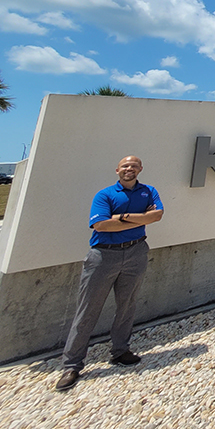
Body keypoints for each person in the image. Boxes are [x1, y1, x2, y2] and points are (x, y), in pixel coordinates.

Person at [55, 155, 164, 391]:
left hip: (136, 252)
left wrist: (122, 218)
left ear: (140, 169)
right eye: (125, 166)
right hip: (104, 255)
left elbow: (157, 216)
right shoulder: (104, 195)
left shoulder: (148, 191)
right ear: (117, 170)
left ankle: (120, 351)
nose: (129, 169)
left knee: (127, 306)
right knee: (88, 310)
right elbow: (101, 225)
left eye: (134, 166)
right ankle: (72, 365)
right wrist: (140, 218)